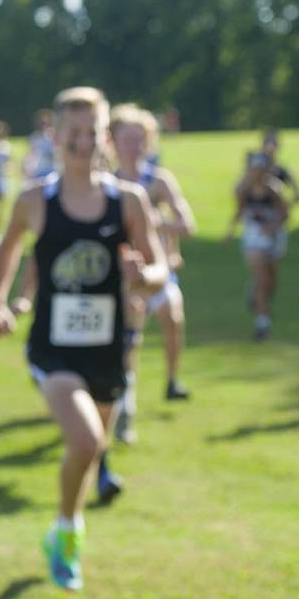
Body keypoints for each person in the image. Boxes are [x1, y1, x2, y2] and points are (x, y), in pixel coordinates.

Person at [0, 87, 167, 592]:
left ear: (105, 137)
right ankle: (69, 532)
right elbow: (6, 253)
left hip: (108, 348)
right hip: (54, 349)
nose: (83, 143)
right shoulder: (35, 200)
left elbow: (158, 267)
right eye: (74, 134)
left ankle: (65, 522)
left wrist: (141, 276)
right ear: (56, 136)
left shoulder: (126, 201)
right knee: (85, 442)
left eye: (93, 133)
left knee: (92, 448)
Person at [109, 104, 196, 449]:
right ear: (113, 142)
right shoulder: (109, 184)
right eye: (127, 139)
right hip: (124, 279)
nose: (134, 146)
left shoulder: (159, 181)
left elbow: (187, 224)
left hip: (160, 273)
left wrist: (151, 222)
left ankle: (173, 379)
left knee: (172, 316)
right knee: (132, 341)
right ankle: (125, 406)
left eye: (140, 139)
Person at [225, 155, 289, 340]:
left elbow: (285, 214)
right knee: (261, 278)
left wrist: (272, 227)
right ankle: (263, 322)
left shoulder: (274, 190)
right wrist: (230, 230)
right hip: (253, 237)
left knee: (271, 280)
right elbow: (239, 209)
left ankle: (255, 295)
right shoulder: (244, 189)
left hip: (274, 238)